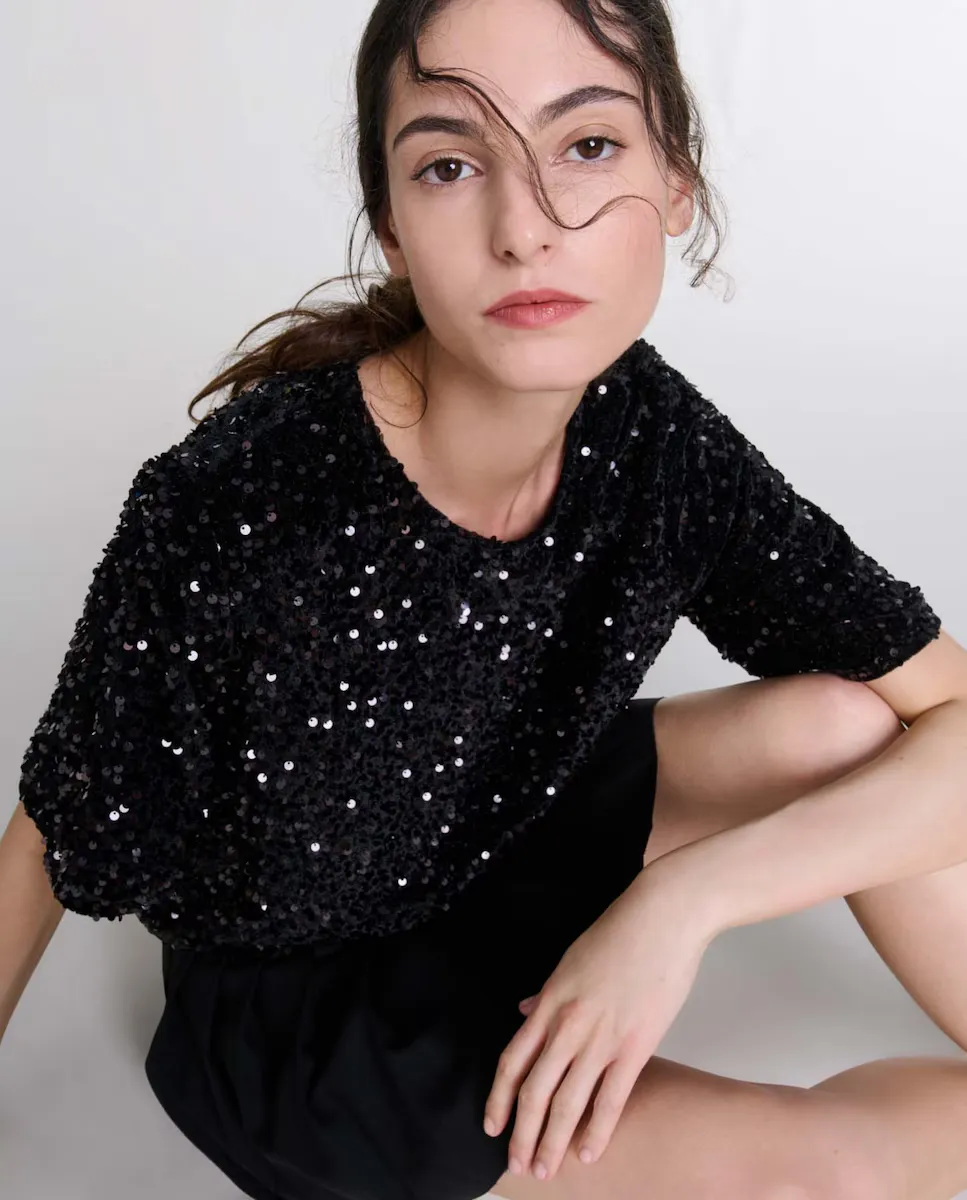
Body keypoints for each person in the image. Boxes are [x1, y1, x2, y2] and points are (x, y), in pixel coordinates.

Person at [5, 1, 967, 1198]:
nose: (526, 229)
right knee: (838, 1176)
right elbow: (57, 821)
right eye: (451, 166)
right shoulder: (245, 495)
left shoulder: (652, 438)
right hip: (312, 1018)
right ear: (390, 225)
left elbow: (952, 715)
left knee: (851, 725)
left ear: (676, 181)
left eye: (588, 146)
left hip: (501, 826)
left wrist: (685, 904)